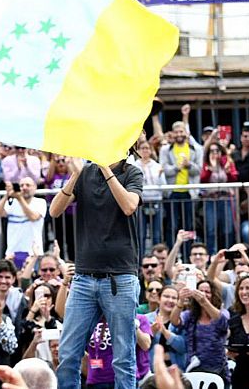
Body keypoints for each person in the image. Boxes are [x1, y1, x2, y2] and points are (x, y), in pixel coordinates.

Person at [48, 153, 143, 389]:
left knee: (123, 357)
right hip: (83, 278)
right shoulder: (84, 172)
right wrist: (76, 175)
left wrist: (106, 170)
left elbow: (129, 206)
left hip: (120, 277)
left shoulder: (132, 172)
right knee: (69, 353)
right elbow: (54, 211)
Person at [170, 280, 228, 382]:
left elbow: (222, 322)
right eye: (200, 291)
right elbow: (174, 321)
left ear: (213, 294)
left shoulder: (222, 312)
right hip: (195, 368)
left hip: (218, 369)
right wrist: (180, 301)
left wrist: (204, 302)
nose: (203, 294)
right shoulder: (190, 315)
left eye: (207, 292)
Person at [160, 121, 203, 244]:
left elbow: (198, 170)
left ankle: (188, 253)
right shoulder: (165, 150)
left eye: (181, 131)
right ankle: (170, 252)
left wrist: (188, 165)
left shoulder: (196, 149)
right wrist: (176, 168)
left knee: (189, 225)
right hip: (172, 192)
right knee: (171, 225)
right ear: (172, 134)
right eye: (176, 132)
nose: (179, 134)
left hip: (189, 193)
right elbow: (163, 169)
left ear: (186, 133)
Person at [0, 178, 46, 268]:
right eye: (21, 185)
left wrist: (20, 198)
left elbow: (33, 217)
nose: (24, 188)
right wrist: (7, 195)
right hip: (12, 253)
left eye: (28, 185)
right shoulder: (12, 202)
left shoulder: (40, 202)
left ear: (35, 187)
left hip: (33, 253)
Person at [200, 141, 238, 253]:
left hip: (225, 199)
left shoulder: (227, 163)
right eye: (212, 151)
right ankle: (211, 256)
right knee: (211, 230)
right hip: (210, 200)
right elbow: (202, 180)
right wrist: (210, 169)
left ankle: (228, 256)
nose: (214, 153)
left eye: (217, 150)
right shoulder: (206, 164)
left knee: (227, 230)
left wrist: (228, 172)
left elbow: (234, 179)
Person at [145, 286, 187, 370]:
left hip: (177, 371)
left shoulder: (183, 319)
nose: (170, 300)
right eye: (166, 296)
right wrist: (152, 332)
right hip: (151, 372)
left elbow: (183, 347)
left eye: (174, 298)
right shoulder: (146, 319)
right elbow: (141, 347)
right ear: (159, 298)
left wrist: (165, 332)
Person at [134, 141, 166, 247]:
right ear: (138, 151)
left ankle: (156, 258)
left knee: (156, 233)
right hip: (141, 202)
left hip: (156, 200)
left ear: (151, 151)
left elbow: (164, 186)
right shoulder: (133, 166)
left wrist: (161, 175)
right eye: (142, 148)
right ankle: (141, 260)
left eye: (147, 148)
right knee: (141, 233)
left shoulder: (157, 166)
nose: (145, 150)